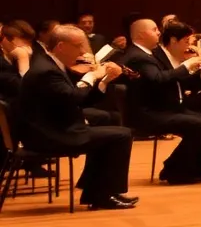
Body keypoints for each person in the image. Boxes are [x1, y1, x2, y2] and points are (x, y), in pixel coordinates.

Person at [19, 25, 136, 209]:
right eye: (78, 45)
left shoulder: (51, 64)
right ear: (61, 46)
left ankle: (98, 193)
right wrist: (91, 76)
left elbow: (80, 101)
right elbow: (73, 97)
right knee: (122, 135)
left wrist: (105, 80)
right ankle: (103, 195)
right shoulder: (46, 71)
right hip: (50, 135)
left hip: (55, 128)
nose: (83, 51)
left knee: (113, 131)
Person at [117, 19, 201, 184]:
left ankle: (194, 170)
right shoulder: (139, 56)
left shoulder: (149, 54)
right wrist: (186, 66)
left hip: (166, 108)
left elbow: (177, 82)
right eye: (154, 30)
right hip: (149, 113)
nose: (159, 32)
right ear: (141, 35)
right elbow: (158, 79)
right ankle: (173, 170)